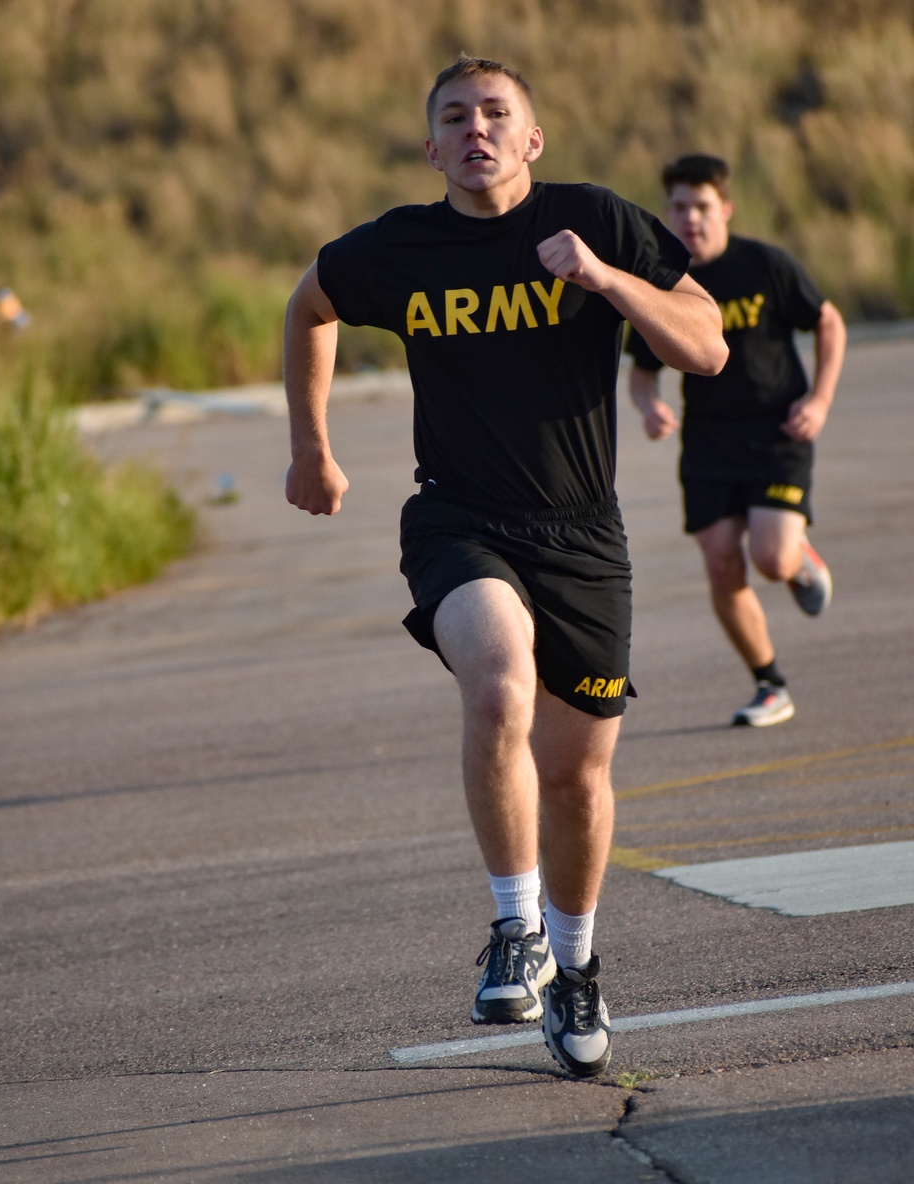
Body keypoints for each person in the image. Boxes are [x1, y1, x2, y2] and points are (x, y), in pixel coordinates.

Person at [283, 58, 727, 1077]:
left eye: (495, 114)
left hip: (582, 535)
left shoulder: (599, 221)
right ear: (430, 148)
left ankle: (572, 966)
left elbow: (703, 347)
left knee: (577, 775)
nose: (474, 129)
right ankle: (514, 926)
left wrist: (605, 281)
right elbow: (308, 306)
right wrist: (310, 444)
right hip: (457, 519)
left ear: (531, 139)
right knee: (497, 678)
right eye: (454, 117)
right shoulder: (398, 248)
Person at [626, 154, 846, 728]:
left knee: (770, 559)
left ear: (724, 207)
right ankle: (770, 684)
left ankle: (796, 560)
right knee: (723, 565)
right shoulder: (663, 281)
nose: (690, 218)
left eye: (701, 206)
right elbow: (643, 369)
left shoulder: (765, 265)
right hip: (707, 444)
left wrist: (819, 400)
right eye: (678, 207)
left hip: (778, 433)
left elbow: (828, 323)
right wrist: (650, 407)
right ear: (667, 212)